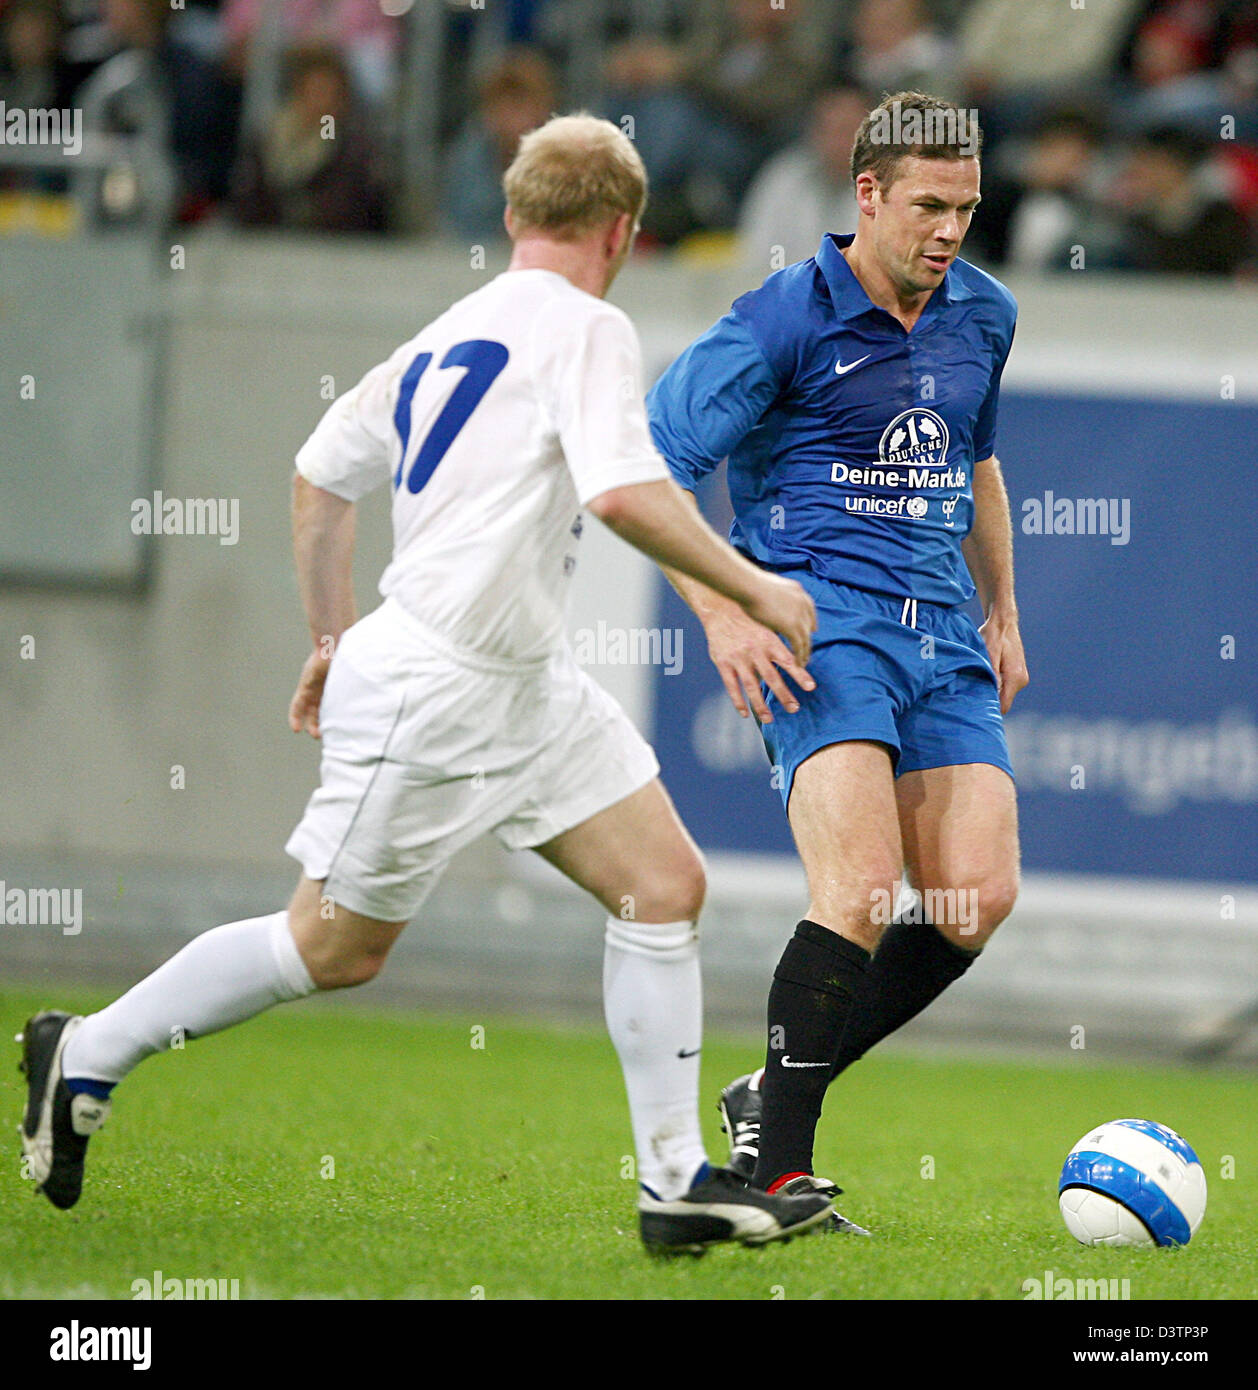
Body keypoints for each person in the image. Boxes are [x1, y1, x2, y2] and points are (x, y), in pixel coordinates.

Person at [17, 113, 834, 1255]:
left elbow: (316, 479)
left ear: (511, 216)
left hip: (522, 681)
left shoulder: (449, 330)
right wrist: (751, 586)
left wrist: (324, 635)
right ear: (622, 232)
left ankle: (674, 1183)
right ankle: (88, 1048)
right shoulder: (588, 326)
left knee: (661, 884)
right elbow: (617, 495)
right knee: (332, 948)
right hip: (442, 681)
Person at [647, 91, 1028, 1233]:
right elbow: (647, 467)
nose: (948, 230)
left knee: (974, 896)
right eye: (927, 206)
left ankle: (770, 1092)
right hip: (824, 621)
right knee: (859, 887)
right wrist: (723, 611)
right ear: (865, 195)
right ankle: (774, 1178)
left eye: (966, 207)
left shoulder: (985, 313)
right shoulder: (781, 317)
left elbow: (977, 458)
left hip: (945, 632)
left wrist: (1004, 608)